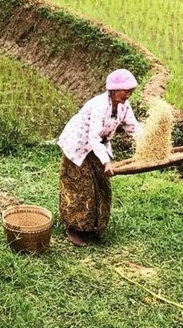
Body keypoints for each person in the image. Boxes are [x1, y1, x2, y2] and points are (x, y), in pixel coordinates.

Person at [57, 69, 143, 247]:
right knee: (80, 187)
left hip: (98, 146)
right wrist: (106, 162)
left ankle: (94, 226)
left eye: (131, 91)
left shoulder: (123, 106)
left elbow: (133, 127)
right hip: (79, 145)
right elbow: (93, 137)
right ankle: (74, 228)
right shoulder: (99, 105)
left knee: (102, 185)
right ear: (112, 90)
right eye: (125, 90)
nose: (128, 94)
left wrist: (148, 141)